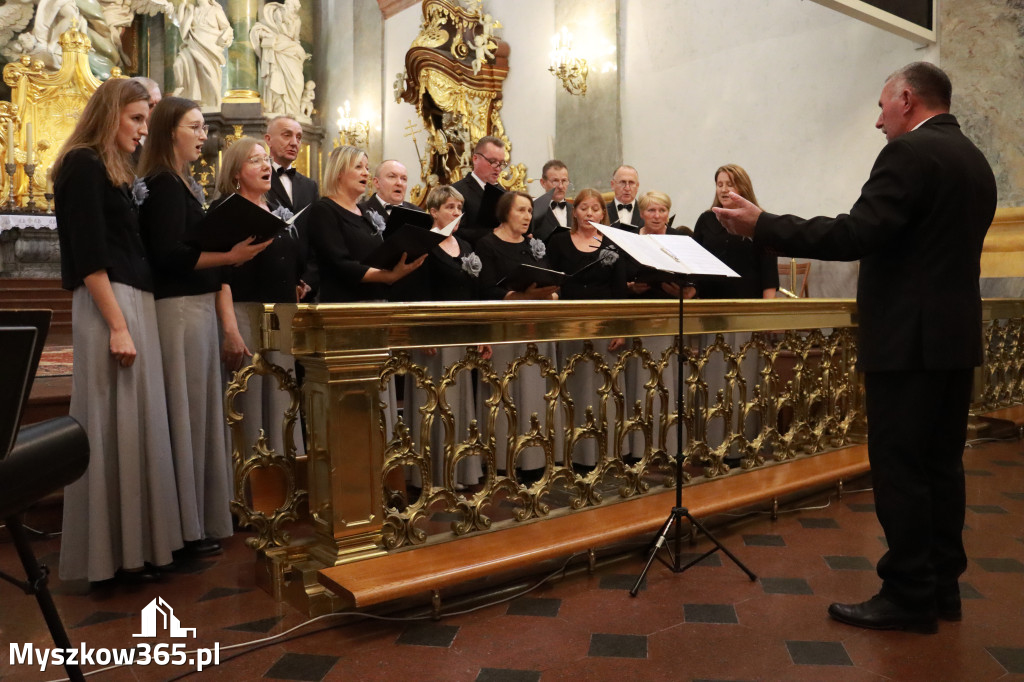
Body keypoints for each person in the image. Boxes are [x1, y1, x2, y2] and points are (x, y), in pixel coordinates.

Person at [713, 62, 997, 634]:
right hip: (954, 338)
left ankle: (908, 593)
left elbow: (852, 235)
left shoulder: (909, 155)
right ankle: (942, 587)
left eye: (882, 106)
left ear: (908, 100)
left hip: (906, 342)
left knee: (900, 468)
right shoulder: (975, 161)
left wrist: (762, 223)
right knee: (942, 466)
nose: (877, 121)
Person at [54, 78, 183, 585]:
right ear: (109, 115)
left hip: (134, 301)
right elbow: (89, 257)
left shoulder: (113, 166)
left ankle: (138, 549)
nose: (142, 129)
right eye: (135, 119)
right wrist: (117, 326)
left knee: (136, 427)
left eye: (146, 121)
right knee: (112, 426)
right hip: (110, 304)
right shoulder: (82, 164)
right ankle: (109, 560)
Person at [138, 96, 268, 559]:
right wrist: (231, 257)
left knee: (198, 415)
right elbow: (170, 254)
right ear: (170, 131)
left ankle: (194, 520)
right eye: (194, 127)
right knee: (185, 416)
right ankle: (183, 526)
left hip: (194, 307)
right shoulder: (165, 185)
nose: (202, 135)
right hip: (178, 309)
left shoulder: (182, 183)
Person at [213, 137, 304, 499]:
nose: (265, 166)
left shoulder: (277, 206)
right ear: (237, 173)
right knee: (249, 405)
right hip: (245, 311)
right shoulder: (225, 210)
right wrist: (230, 329)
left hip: (282, 313)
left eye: (266, 160)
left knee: (283, 401)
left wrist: (292, 282)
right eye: (255, 161)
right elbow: (219, 277)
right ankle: (249, 497)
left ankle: (283, 491)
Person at [307, 145, 426, 303]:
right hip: (345, 306)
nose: (366, 173)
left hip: (378, 302)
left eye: (367, 168)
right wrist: (389, 276)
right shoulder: (324, 210)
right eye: (358, 167)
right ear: (339, 172)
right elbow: (339, 264)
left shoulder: (365, 213)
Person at [693, 164, 777, 299]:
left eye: (730, 185)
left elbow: (769, 273)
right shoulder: (706, 219)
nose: (723, 190)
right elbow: (694, 261)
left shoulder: (758, 220)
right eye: (719, 185)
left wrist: (767, 309)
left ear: (743, 188)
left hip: (747, 299)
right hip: (710, 299)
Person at [264, 115, 317, 299]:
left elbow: (314, 236)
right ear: (268, 140)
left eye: (299, 137)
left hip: (304, 286)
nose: (294, 142)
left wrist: (308, 279)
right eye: (287, 135)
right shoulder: (256, 180)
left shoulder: (310, 186)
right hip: (268, 282)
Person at [546, 187, 625, 300]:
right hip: (567, 310)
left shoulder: (613, 244)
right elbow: (550, 281)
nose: (589, 213)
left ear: (602, 214)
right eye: (583, 209)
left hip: (605, 311)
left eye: (595, 209)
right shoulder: (558, 241)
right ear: (574, 212)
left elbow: (619, 288)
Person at [171, 0, 233, 109]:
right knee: (178, 63)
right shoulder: (193, 10)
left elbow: (226, 27)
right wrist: (182, 6)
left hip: (210, 45)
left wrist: (222, 38)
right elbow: (179, 23)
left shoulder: (215, 10)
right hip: (193, 42)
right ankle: (186, 92)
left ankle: (213, 102)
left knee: (207, 71)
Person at [451, 135, 506, 245]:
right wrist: (495, 233)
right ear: (475, 159)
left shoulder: (504, 193)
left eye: (501, 163)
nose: (498, 168)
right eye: (493, 161)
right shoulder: (456, 191)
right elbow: (456, 232)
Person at [358, 159, 419, 224]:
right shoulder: (360, 211)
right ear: (377, 182)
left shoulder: (418, 213)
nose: (399, 183)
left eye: (404, 179)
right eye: (392, 177)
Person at [531, 159, 572, 241]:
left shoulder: (577, 210)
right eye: (555, 181)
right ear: (543, 183)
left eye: (564, 181)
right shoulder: (532, 210)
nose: (560, 186)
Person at [606, 165, 644, 229]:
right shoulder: (603, 211)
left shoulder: (646, 212)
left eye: (631, 183)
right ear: (612, 185)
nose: (627, 188)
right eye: (622, 182)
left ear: (637, 186)